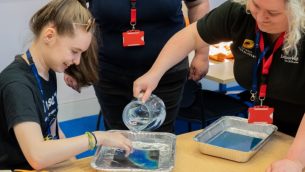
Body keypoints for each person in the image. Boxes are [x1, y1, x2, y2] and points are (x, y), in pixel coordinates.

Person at [133, 0, 305, 171]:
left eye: (273, 13)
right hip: (269, 129)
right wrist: (154, 73)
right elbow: (191, 36)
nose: (260, 17)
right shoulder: (239, 13)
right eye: (256, 6)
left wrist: (295, 160)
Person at [0, 0, 132, 170]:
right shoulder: (17, 85)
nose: (77, 61)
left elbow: (53, 130)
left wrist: (74, 163)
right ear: (49, 36)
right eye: (74, 51)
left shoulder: (46, 72)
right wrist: (97, 137)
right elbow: (37, 156)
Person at [65, 0, 210, 132]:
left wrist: (202, 53)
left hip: (167, 73)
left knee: (159, 140)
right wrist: (71, 63)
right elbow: (71, 11)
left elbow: (198, 4)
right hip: (110, 72)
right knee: (118, 140)